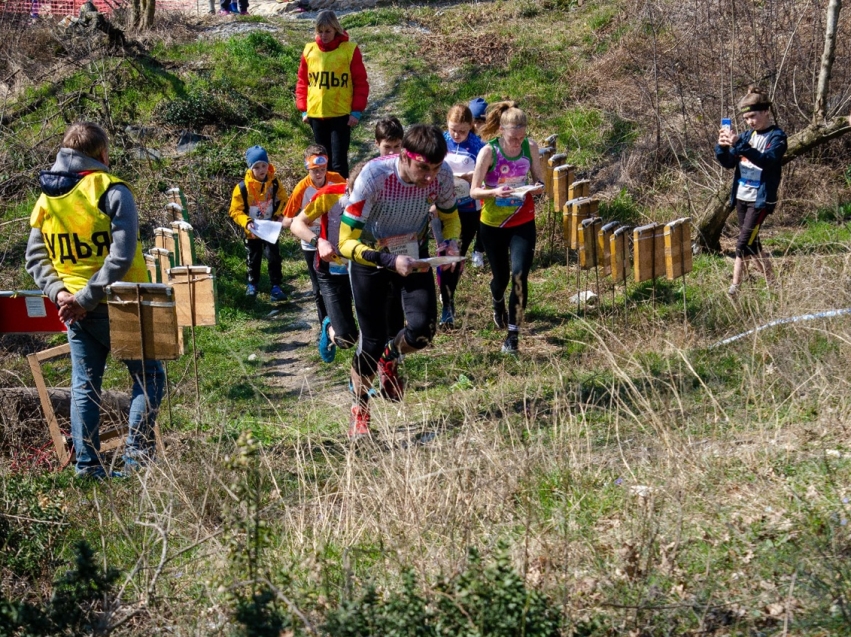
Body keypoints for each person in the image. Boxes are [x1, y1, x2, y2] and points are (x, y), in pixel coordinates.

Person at [25, 122, 164, 479]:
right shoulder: (112, 190)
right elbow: (120, 255)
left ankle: (87, 466)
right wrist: (86, 298)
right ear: (102, 154)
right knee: (149, 378)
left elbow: (35, 258)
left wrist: (61, 294)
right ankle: (135, 460)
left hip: (73, 309)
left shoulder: (46, 199)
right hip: (122, 300)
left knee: (84, 387)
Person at [338, 124, 459, 438]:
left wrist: (451, 242)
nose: (430, 176)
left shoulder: (442, 175)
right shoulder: (375, 176)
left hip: (413, 253)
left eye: (435, 168)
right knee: (371, 341)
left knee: (423, 331)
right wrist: (389, 260)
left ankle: (389, 360)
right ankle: (360, 409)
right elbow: (345, 243)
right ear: (405, 156)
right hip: (372, 258)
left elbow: (449, 216)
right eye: (423, 168)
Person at [469, 101, 545, 355]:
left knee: (520, 275)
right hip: (493, 223)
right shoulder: (488, 153)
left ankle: (513, 335)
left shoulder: (530, 147)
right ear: (501, 130)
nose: (517, 143)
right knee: (500, 278)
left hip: (523, 219)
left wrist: (537, 187)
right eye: (513, 138)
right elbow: (474, 190)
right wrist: (493, 192)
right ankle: (497, 301)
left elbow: (539, 179)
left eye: (521, 137)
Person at [290, 163, 366, 364]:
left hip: (363, 268)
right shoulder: (330, 194)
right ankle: (328, 326)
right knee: (346, 339)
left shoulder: (378, 197)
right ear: (347, 185)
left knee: (373, 329)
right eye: (354, 193)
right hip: (331, 269)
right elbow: (297, 224)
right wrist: (318, 241)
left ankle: (366, 374)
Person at [715, 87, 786, 296]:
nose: (750, 122)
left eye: (753, 116)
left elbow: (768, 161)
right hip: (741, 197)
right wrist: (722, 147)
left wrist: (741, 144)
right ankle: (773, 285)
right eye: (746, 118)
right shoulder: (747, 136)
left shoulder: (777, 136)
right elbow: (729, 163)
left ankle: (734, 288)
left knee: (742, 243)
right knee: (753, 244)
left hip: (761, 200)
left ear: (765, 111)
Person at [295, 10, 369, 178]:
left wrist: (356, 111)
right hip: (316, 114)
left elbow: (360, 82)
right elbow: (302, 82)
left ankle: (341, 200)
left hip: (340, 114)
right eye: (320, 31)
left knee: (338, 162)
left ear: (336, 29)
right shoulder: (309, 51)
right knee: (321, 161)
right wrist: (304, 109)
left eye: (327, 31)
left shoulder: (349, 50)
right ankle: (325, 198)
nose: (323, 35)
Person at [283, 144, 346, 327]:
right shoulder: (301, 188)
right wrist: (303, 220)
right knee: (318, 285)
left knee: (338, 278)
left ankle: (340, 321)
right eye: (314, 170)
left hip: (334, 236)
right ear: (307, 168)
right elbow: (287, 220)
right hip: (311, 238)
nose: (319, 174)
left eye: (322, 169)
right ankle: (325, 324)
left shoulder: (336, 179)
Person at [438, 104, 486, 328]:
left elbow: (488, 178)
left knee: (457, 255)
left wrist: (473, 179)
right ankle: (446, 303)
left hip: (468, 209)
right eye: (453, 130)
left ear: (471, 127)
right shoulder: (440, 141)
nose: (457, 135)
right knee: (443, 253)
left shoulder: (478, 146)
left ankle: (449, 296)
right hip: (442, 207)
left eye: (462, 131)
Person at [229, 146, 287, 301]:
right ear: (251, 168)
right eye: (257, 167)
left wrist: (278, 214)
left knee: (274, 256)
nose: (262, 170)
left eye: (264, 165)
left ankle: (276, 286)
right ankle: (252, 284)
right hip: (252, 230)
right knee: (253, 258)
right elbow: (235, 210)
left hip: (270, 227)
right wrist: (246, 223)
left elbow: (283, 200)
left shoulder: (274, 183)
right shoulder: (242, 187)